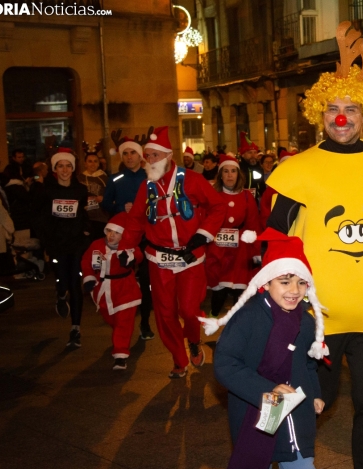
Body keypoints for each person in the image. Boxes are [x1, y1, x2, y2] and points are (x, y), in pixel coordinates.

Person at [266, 22, 363, 469]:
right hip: (318, 316)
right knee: (310, 401)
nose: (342, 117)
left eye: (351, 109)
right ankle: (287, 465)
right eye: (332, 108)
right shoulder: (297, 169)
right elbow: (276, 241)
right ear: (319, 113)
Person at [203, 228, 328, 469]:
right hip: (256, 409)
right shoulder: (247, 317)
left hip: (297, 413)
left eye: (301, 282)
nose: (294, 290)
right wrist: (265, 390)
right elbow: (226, 364)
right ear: (266, 282)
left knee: (302, 466)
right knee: (257, 465)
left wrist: (314, 393)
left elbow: (309, 364)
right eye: (284, 282)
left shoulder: (305, 321)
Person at [117, 126, 226, 378]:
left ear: (167, 156)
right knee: (165, 314)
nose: (150, 160)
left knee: (188, 310)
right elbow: (135, 221)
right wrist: (127, 248)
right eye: (148, 156)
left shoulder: (192, 179)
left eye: (155, 155)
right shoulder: (146, 186)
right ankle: (179, 359)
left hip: (190, 257)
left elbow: (217, 207)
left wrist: (203, 234)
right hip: (159, 259)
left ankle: (194, 340)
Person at [34, 148, 90, 346]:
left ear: (73, 169)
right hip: (56, 244)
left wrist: (85, 231)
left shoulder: (81, 190)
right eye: (60, 166)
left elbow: (84, 214)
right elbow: (40, 219)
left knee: (75, 283)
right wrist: (45, 242)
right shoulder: (46, 192)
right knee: (62, 280)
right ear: (55, 169)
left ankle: (75, 329)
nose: (65, 170)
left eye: (68, 166)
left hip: (75, 243)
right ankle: (60, 295)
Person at [102, 135, 154, 340]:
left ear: (140, 155)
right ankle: (124, 324)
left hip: (147, 235)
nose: (129, 156)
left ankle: (145, 323)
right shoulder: (115, 179)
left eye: (133, 152)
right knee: (126, 281)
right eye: (125, 153)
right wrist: (120, 207)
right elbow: (106, 204)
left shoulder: (150, 177)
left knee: (147, 280)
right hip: (124, 237)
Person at [81, 212, 142, 370]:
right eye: (109, 231)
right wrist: (88, 277)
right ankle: (119, 339)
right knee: (111, 319)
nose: (111, 235)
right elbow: (86, 261)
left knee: (123, 322)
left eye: (116, 233)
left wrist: (130, 258)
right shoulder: (96, 245)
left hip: (125, 289)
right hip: (103, 289)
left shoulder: (128, 247)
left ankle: (120, 355)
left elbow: (139, 255)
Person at [204, 157, 261, 317]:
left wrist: (256, 251)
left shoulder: (246, 196)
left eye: (233, 171)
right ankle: (213, 320)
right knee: (218, 292)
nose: (230, 175)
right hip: (217, 249)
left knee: (239, 292)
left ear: (238, 174)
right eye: (226, 171)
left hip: (241, 250)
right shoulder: (213, 196)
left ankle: (238, 327)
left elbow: (254, 224)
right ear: (221, 175)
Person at [78, 152, 110, 239]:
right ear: (85, 163)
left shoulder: (105, 178)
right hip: (84, 218)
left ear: (98, 163)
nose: (93, 164)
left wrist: (104, 198)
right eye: (90, 161)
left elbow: (111, 195)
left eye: (95, 161)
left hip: (100, 217)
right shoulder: (79, 178)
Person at [238, 132, 265, 199]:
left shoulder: (259, 168)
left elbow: (261, 185)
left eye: (255, 152)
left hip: (256, 201)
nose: (253, 155)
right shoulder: (238, 169)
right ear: (243, 155)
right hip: (241, 200)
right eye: (250, 153)